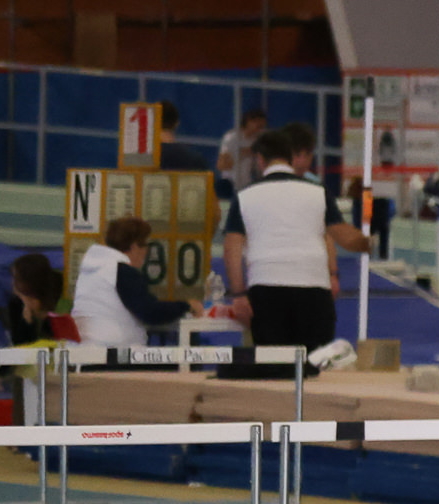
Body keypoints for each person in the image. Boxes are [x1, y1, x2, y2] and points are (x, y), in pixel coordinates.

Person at [219, 123, 368, 363]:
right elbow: (341, 236)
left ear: (260, 160)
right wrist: (367, 242)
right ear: (291, 157)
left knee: (274, 367)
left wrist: (238, 294)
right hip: (314, 290)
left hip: (266, 290)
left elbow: (232, 248)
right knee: (315, 365)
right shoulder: (318, 193)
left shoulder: (245, 196)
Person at [70, 216, 193, 349]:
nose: (146, 252)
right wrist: (186, 305)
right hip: (112, 351)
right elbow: (150, 312)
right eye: (146, 245)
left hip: (81, 350)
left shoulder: (90, 271)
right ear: (134, 247)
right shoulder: (122, 272)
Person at [0, 250, 61, 347]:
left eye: (16, 278)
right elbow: (19, 344)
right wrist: (27, 318)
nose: (12, 283)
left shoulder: (60, 297)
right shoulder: (16, 303)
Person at [218, 109, 270, 195]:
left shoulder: (255, 140)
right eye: (258, 126)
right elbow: (222, 164)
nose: (260, 130)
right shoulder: (232, 138)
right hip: (231, 183)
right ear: (249, 122)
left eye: (262, 127)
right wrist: (241, 153)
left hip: (246, 184)